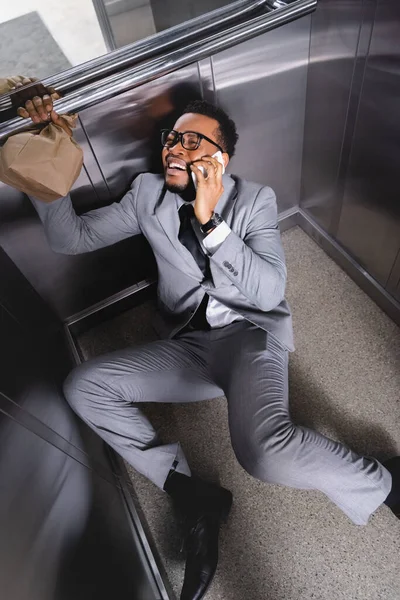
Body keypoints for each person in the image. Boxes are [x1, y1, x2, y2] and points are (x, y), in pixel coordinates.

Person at [17, 92, 399, 600]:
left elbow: (267, 292)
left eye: (191, 140)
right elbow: (73, 239)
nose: (174, 148)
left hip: (248, 337)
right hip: (189, 344)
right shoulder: (146, 194)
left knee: (264, 453)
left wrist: (210, 222)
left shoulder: (254, 200)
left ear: (222, 158)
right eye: (171, 139)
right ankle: (194, 498)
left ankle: (386, 481)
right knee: (84, 386)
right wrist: (49, 157)